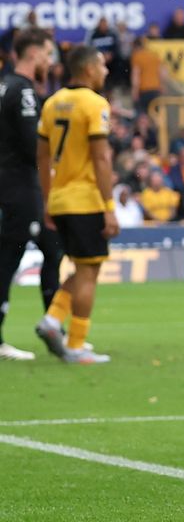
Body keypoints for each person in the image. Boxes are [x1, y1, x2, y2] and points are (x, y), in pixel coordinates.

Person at [34, 45, 119, 364]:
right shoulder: (95, 104)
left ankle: (52, 319)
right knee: (89, 273)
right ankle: (76, 345)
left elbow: (42, 157)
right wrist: (109, 206)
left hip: (60, 199)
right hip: (86, 199)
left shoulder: (52, 103)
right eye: (101, 65)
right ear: (88, 69)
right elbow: (101, 158)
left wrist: (48, 200)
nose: (105, 71)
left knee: (83, 269)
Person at [0, 30, 63, 360]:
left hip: (14, 186)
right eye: (48, 55)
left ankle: (55, 329)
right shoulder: (23, 91)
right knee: (8, 259)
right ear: (34, 54)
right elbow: (33, 148)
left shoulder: (4, 85)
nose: (50, 63)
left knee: (52, 250)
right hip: (21, 189)